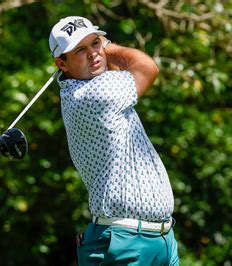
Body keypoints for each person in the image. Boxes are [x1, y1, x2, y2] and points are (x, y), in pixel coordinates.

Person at [49, 16, 179, 265]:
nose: (93, 54)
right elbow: (146, 67)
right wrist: (107, 46)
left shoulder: (90, 88)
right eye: (80, 50)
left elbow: (117, 71)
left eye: (94, 43)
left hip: (159, 239)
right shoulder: (92, 95)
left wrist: (97, 50)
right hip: (126, 241)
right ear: (61, 64)